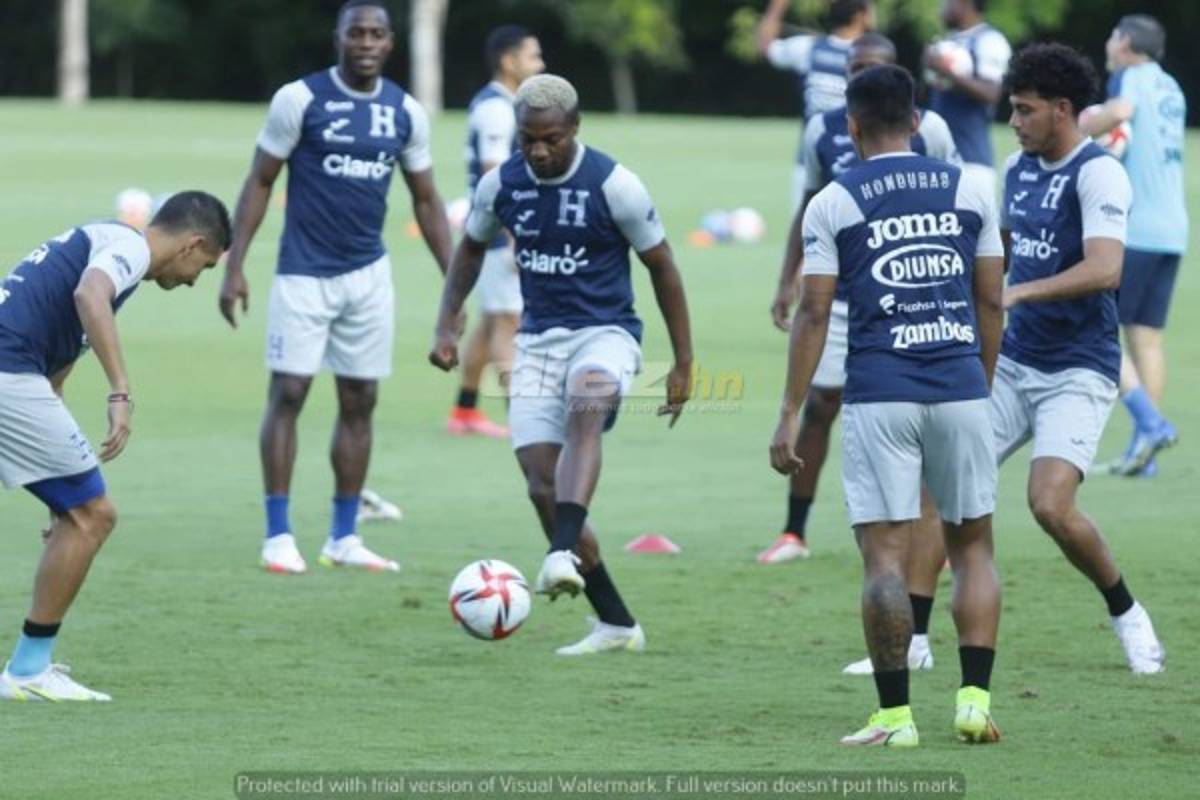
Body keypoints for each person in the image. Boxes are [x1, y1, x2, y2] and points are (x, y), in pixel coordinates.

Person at [771, 64, 1005, 747]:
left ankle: (896, 717)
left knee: (884, 562)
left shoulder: (834, 200)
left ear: (851, 126)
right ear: (918, 119)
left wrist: (790, 411)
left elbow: (815, 312)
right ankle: (972, 702)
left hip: (880, 394)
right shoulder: (970, 187)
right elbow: (991, 299)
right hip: (960, 385)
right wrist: (979, 382)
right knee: (973, 549)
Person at [430, 75, 693, 656]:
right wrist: (448, 320)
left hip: (606, 334)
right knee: (539, 485)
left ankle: (558, 551)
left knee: (587, 404)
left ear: (574, 128)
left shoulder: (614, 184)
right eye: (528, 140)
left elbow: (663, 266)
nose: (539, 151)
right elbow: (471, 247)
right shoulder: (503, 184)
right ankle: (616, 624)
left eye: (550, 139)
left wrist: (682, 362)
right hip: (537, 343)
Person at [219, 0, 453, 574]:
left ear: (390, 43)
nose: (366, 43)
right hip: (303, 274)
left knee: (360, 401)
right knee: (290, 394)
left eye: (377, 34)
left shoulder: (405, 113)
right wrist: (234, 264)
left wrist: (455, 285)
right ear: (339, 39)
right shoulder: (299, 100)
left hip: (368, 277)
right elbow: (260, 180)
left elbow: (426, 200)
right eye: (357, 33)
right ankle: (278, 534)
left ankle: (343, 537)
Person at [0, 192, 231, 701]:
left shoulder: (107, 243)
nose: (195, 280)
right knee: (95, 515)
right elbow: (89, 296)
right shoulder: (127, 247)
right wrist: (120, 389)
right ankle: (27, 671)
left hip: (16, 372)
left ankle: (28, 668)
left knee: (79, 513)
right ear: (193, 245)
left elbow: (55, 364)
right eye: (206, 266)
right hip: (6, 371)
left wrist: (58, 495)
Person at [997, 43, 1165, 673]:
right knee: (946, 490)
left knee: (1049, 505)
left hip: (1078, 365)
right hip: (1013, 360)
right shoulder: (1017, 169)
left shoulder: (1098, 173)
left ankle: (1126, 610)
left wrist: (1016, 290)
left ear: (1062, 110)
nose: (1014, 122)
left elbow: (1105, 269)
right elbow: (1002, 251)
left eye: (1025, 110)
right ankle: (916, 640)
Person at [762, 31, 959, 563]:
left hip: (908, 298)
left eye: (872, 67)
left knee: (910, 410)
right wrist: (788, 277)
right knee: (822, 403)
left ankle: (918, 538)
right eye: (854, 68)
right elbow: (808, 204)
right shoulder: (822, 129)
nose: (860, 76)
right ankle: (793, 532)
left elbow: (953, 207)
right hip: (842, 294)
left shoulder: (931, 130)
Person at [1081, 15, 1186, 477]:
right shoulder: (1170, 86)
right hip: (1173, 229)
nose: (1108, 42)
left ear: (1125, 43)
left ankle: (1149, 421)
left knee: (1099, 328)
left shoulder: (1131, 77)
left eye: (1111, 35)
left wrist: (1086, 123)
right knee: (1146, 338)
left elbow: (1120, 114)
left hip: (1138, 226)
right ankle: (1145, 452)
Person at [446, 25, 545, 438]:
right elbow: (494, 174)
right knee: (509, 322)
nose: (540, 65)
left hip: (495, 230)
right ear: (509, 62)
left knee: (492, 321)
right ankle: (526, 424)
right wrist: (516, 234)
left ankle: (465, 412)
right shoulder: (497, 109)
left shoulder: (506, 104)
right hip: (500, 231)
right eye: (533, 57)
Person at [756, 0, 876, 206]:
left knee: (804, 231)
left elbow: (764, 46)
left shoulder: (809, 48)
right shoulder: (873, 55)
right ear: (860, 15)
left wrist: (778, 6)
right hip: (857, 166)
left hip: (810, 164)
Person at [924, 0, 1011, 190]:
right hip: (936, 159)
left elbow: (992, 93)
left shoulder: (990, 40)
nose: (942, 6)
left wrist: (946, 72)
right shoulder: (948, 41)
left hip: (971, 161)